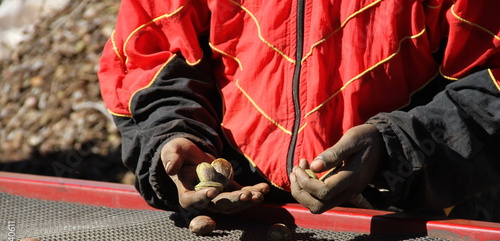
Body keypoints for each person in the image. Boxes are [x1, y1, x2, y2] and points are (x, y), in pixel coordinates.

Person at [98, 0, 500, 219]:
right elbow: (148, 51)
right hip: (233, 210)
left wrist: (397, 148)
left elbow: (490, 82)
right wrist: (175, 139)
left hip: (401, 208)